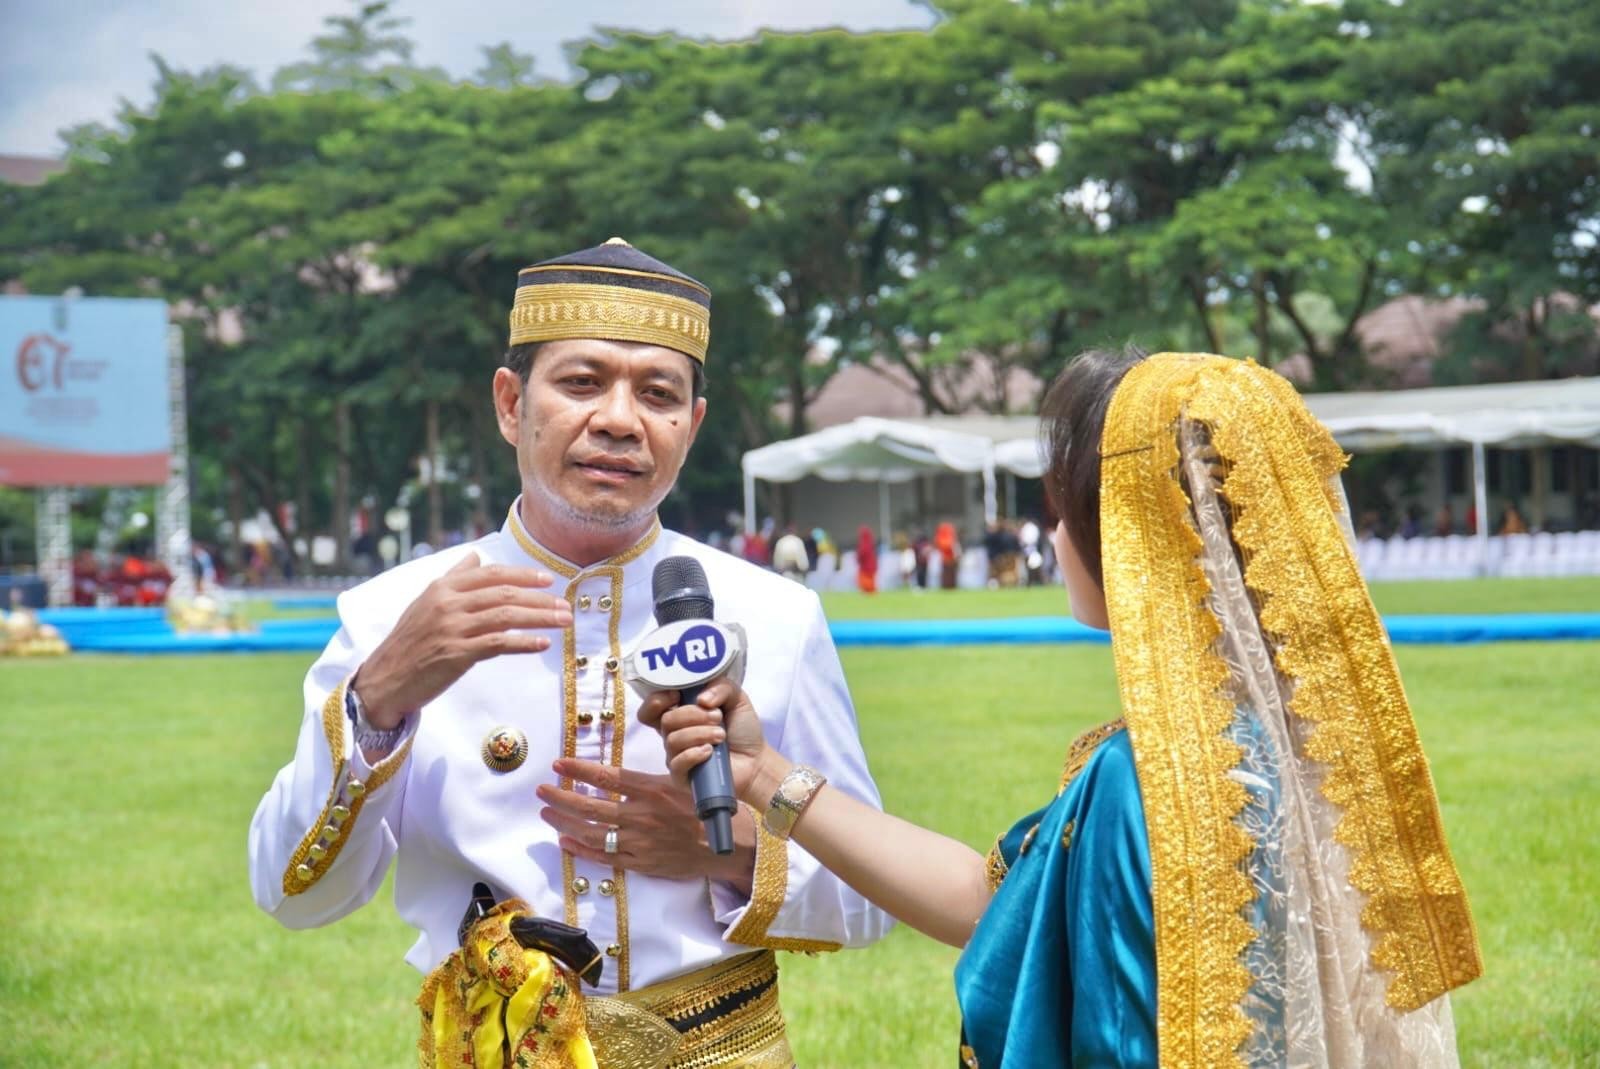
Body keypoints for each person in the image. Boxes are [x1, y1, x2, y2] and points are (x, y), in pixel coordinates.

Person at [643, 351, 1482, 1067]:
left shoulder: (1142, 778)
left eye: (1063, 512)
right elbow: (994, 899)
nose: (1048, 537)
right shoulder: (1316, 745)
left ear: (1134, 540)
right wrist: (764, 773)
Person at [248, 238, 892, 1067]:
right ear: (512, 403)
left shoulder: (774, 615)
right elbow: (292, 895)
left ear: (689, 427)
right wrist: (379, 698)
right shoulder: (395, 616)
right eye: (582, 382)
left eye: (657, 393)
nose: (620, 419)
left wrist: (724, 855)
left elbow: (875, 895)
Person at [855, 524, 878, 593]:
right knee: (870, 580)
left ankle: (869, 591)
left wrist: (858, 558)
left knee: (864, 581)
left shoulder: (864, 543)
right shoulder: (871, 542)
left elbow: (861, 554)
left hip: (866, 567)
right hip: (872, 566)